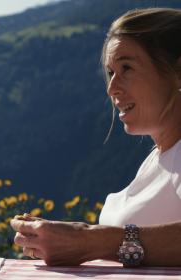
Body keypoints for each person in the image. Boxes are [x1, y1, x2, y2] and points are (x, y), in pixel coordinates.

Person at [11, 7, 181, 267]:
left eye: (127, 68)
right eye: (111, 72)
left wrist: (89, 241)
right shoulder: (159, 159)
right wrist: (71, 237)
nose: (112, 88)